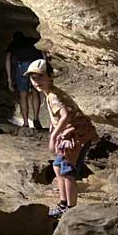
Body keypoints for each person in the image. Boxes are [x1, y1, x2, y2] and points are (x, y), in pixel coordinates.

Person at [26, 59, 98, 218]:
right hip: (72, 133)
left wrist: (54, 136)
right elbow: (57, 118)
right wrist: (55, 130)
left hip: (76, 135)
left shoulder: (53, 96)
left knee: (67, 171)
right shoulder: (50, 93)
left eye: (40, 76)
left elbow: (65, 115)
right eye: (33, 78)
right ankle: (63, 203)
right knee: (58, 167)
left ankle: (71, 210)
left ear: (50, 77)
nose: (36, 81)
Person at [4, 32, 44, 130]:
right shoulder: (32, 40)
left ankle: (26, 122)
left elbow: (8, 59)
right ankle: (36, 119)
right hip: (35, 64)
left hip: (23, 66)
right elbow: (43, 52)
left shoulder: (14, 43)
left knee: (23, 94)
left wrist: (9, 79)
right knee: (35, 92)